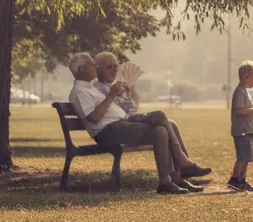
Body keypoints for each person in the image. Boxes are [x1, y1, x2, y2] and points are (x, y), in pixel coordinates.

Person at [67, 52, 201, 194]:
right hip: (108, 131)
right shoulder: (79, 91)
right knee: (160, 130)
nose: (95, 66)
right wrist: (112, 95)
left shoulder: (89, 87)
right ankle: (170, 177)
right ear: (82, 69)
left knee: (163, 120)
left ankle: (175, 177)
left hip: (121, 124)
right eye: (92, 64)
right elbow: (94, 118)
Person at [92, 51, 210, 179]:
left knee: (171, 124)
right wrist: (113, 95)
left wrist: (132, 90)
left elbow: (131, 109)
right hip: (116, 127)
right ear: (98, 70)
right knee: (160, 120)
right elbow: (113, 114)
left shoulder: (116, 84)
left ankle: (180, 173)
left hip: (127, 121)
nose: (114, 70)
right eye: (109, 67)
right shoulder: (97, 88)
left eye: (115, 66)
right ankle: (183, 162)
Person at [229, 60, 253, 191]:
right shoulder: (239, 92)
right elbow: (239, 110)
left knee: (247, 157)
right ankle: (234, 179)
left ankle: (242, 179)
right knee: (242, 156)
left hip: (248, 130)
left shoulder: (245, 91)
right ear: (246, 76)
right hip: (242, 131)